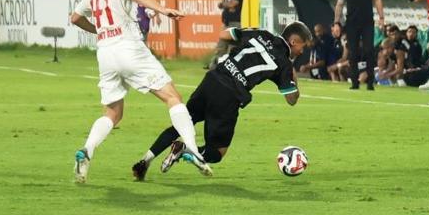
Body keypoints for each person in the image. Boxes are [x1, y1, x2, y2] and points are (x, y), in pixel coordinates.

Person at [70, 0, 209, 183]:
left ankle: (87, 150)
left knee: (113, 113)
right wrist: (162, 9)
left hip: (105, 53)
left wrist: (99, 31)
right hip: (128, 48)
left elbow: (75, 18)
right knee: (173, 97)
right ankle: (194, 150)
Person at [132, 23, 310, 180]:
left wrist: (221, 57)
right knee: (217, 153)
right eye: (303, 46)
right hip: (229, 95)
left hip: (213, 79)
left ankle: (145, 161)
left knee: (183, 122)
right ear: (294, 41)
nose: (302, 51)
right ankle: (184, 149)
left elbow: (224, 35)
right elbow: (291, 99)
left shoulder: (261, 33)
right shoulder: (285, 64)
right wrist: (294, 76)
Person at [334, 0, 384, 90]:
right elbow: (339, 4)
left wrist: (381, 17)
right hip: (351, 23)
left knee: (368, 51)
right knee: (353, 53)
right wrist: (336, 22)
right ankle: (354, 82)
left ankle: (370, 82)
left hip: (367, 22)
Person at [210, 0, 243, 69]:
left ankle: (231, 69)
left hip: (234, 24)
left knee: (232, 48)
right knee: (221, 47)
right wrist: (226, 4)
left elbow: (232, 4)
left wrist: (225, 4)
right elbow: (226, 5)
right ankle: (214, 68)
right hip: (226, 23)